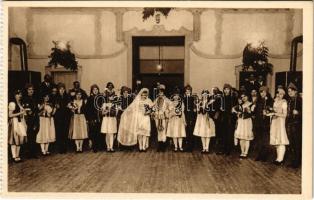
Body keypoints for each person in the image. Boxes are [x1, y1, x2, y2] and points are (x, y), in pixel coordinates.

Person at [268, 87, 289, 165]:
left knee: (281, 140)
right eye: (278, 93)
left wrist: (275, 113)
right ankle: (278, 158)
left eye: (281, 94)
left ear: (283, 95)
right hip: (274, 121)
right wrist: (270, 113)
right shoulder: (275, 101)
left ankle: (281, 159)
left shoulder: (284, 102)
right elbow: (273, 111)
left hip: (280, 122)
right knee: (276, 141)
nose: (279, 95)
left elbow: (285, 115)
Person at [253, 86, 274, 162]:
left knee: (265, 140)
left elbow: (272, 111)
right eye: (261, 92)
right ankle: (259, 155)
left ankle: (265, 156)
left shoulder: (270, 100)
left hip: (266, 123)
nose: (262, 93)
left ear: (267, 92)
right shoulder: (257, 100)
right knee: (259, 139)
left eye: (264, 92)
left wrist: (267, 111)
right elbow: (254, 112)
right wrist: (252, 110)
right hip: (258, 123)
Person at [8, 90, 28, 162]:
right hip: (14, 121)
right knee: (14, 139)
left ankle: (17, 155)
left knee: (20, 138)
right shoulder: (12, 103)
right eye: (18, 94)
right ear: (15, 95)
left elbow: (22, 113)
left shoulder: (20, 103)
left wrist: (24, 112)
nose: (19, 95)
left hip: (20, 122)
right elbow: (10, 115)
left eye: (20, 94)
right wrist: (20, 113)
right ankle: (14, 156)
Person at [233, 91, 254, 158]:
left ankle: (246, 152)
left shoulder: (251, 104)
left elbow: (252, 114)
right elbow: (233, 110)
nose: (243, 98)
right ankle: (242, 152)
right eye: (242, 97)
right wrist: (237, 113)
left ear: (248, 96)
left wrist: (249, 112)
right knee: (241, 138)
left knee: (247, 138)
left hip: (247, 122)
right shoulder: (240, 105)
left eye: (245, 96)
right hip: (241, 121)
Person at [286, 82, 302, 168]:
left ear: (295, 91)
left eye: (291, 91)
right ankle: (293, 161)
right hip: (290, 124)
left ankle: (297, 162)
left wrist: (298, 112)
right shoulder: (290, 101)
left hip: (297, 125)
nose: (290, 92)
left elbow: (307, 112)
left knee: (297, 144)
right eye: (288, 91)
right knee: (291, 143)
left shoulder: (300, 100)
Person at [23, 84, 39, 159]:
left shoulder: (35, 98)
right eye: (29, 89)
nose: (31, 91)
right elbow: (27, 111)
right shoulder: (25, 99)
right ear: (27, 90)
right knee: (29, 136)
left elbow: (37, 109)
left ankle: (33, 152)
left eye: (32, 89)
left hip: (35, 119)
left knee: (34, 136)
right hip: (29, 120)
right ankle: (29, 153)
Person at [220, 84, 237, 155]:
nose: (226, 91)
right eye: (225, 89)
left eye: (228, 89)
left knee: (229, 134)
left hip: (230, 118)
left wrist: (233, 110)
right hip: (223, 118)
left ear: (230, 90)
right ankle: (223, 149)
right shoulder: (222, 98)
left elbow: (236, 108)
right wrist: (220, 109)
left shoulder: (233, 98)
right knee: (223, 134)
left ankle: (228, 150)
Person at [152, 84, 171, 152]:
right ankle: (159, 145)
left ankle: (163, 145)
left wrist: (166, 111)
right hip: (157, 117)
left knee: (163, 130)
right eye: (159, 92)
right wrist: (154, 111)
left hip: (164, 117)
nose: (160, 93)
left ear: (164, 92)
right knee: (158, 130)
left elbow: (171, 108)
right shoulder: (156, 99)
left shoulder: (167, 100)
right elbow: (152, 107)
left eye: (162, 92)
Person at [54, 83, 71, 154]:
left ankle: (65, 148)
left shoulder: (67, 97)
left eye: (63, 89)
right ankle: (60, 148)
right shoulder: (56, 97)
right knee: (59, 133)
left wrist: (68, 106)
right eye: (60, 89)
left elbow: (69, 106)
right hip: (58, 118)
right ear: (58, 90)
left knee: (65, 133)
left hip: (66, 118)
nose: (62, 90)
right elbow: (56, 107)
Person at [86, 84, 103, 152]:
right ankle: (94, 147)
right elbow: (87, 110)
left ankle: (99, 146)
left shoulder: (100, 98)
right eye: (94, 90)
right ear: (92, 91)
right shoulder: (90, 98)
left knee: (99, 132)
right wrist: (89, 119)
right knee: (93, 132)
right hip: (92, 118)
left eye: (96, 89)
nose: (95, 91)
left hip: (99, 117)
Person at [117, 86, 134, 150]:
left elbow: (132, 108)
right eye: (124, 92)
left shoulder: (130, 99)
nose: (125, 93)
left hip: (128, 117)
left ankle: (129, 145)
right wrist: (121, 109)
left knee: (128, 131)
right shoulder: (120, 98)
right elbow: (118, 106)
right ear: (122, 93)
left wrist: (128, 111)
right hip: (122, 117)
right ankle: (122, 145)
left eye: (127, 92)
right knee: (122, 131)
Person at [182, 85, 197, 152]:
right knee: (186, 132)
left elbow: (194, 109)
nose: (187, 92)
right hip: (185, 117)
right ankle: (186, 146)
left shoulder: (193, 99)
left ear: (191, 92)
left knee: (191, 132)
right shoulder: (184, 99)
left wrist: (192, 118)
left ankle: (191, 147)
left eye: (189, 91)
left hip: (191, 117)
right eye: (186, 91)